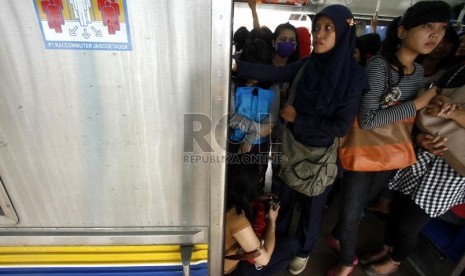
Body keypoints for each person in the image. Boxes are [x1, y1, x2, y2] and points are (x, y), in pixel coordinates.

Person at [235, 4, 369, 275]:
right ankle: (280, 242)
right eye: (316, 28)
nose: (319, 34)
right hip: (290, 147)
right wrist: (236, 65)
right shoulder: (308, 65)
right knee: (282, 199)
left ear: (344, 32)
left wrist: (298, 118)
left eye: (328, 29)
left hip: (318, 157)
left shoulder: (354, 77)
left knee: (312, 209)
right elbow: (274, 73)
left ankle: (304, 251)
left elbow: (341, 127)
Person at [327, 2, 451, 276]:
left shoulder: (417, 72)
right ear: (403, 31)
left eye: (441, 29)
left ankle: (338, 237)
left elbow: (406, 119)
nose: (436, 35)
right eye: (427, 26)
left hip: (393, 152)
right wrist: (418, 103)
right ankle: (347, 261)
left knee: (359, 205)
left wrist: (430, 109)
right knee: (350, 214)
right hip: (366, 151)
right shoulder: (379, 67)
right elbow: (369, 120)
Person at [363, 63, 465, 276]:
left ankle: (395, 260)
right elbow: (428, 97)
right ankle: (386, 248)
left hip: (451, 170)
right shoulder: (457, 69)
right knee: (397, 207)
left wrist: (454, 114)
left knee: (409, 224)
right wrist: (437, 104)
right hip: (426, 152)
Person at [224, 164, 297, 275]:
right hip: (229, 271)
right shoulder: (235, 219)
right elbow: (264, 259)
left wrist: (253, 197)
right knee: (290, 246)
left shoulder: (222, 199)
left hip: (217, 260)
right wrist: (272, 221)